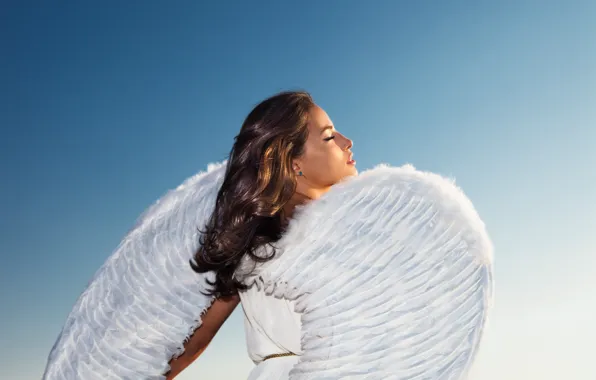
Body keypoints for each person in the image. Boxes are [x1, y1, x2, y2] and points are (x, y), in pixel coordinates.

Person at [164, 90, 357, 379]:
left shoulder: (359, 233)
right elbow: (190, 346)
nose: (347, 142)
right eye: (329, 137)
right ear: (294, 163)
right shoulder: (254, 247)